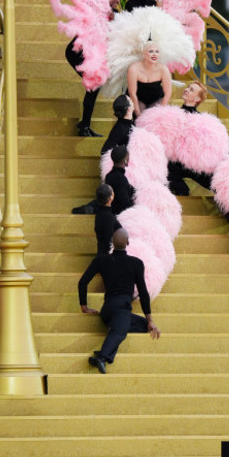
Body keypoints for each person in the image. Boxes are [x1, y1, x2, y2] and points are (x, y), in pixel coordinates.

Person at [78, 227, 161, 373]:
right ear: (128, 243)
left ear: (112, 242)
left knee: (142, 326)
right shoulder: (136, 263)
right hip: (121, 308)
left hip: (108, 310)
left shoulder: (101, 260)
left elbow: (82, 282)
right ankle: (101, 357)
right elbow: (143, 292)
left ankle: (111, 338)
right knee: (121, 328)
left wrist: (84, 306)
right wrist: (151, 318)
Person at [66, 0, 122, 137]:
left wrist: (114, 18)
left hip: (91, 57)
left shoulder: (115, 14)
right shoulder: (95, 6)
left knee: (93, 87)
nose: (118, 0)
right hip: (76, 52)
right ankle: (84, 126)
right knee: (94, 86)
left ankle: (85, 125)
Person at [167, 81, 211, 195]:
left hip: (192, 163)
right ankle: (182, 189)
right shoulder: (173, 114)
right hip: (174, 163)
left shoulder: (201, 120)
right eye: (188, 87)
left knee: (212, 179)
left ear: (197, 99)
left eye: (191, 89)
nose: (186, 89)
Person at [126, 41, 172, 117]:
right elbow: (132, 93)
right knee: (140, 119)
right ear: (143, 54)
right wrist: (138, 113)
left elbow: (168, 93)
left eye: (157, 52)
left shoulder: (163, 69)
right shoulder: (134, 68)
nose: (154, 54)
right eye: (151, 51)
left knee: (154, 118)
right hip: (138, 98)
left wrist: (160, 112)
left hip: (156, 98)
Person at [104, 145, 135, 215]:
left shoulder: (108, 176)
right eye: (128, 157)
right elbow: (125, 203)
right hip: (120, 217)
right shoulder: (120, 178)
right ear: (125, 160)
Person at [93, 184, 121, 254]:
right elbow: (109, 241)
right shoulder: (107, 216)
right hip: (107, 257)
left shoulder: (101, 214)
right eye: (112, 191)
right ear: (110, 198)